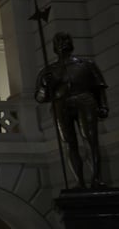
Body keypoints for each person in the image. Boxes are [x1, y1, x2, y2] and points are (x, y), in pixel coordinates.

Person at [34, 32, 110, 189]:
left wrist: (103, 105)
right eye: (59, 42)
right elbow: (40, 97)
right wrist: (45, 85)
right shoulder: (49, 71)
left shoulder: (86, 65)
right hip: (61, 105)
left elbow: (99, 87)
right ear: (54, 47)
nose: (63, 44)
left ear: (71, 44)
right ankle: (79, 182)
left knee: (90, 139)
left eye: (66, 40)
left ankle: (96, 178)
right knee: (69, 143)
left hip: (85, 100)